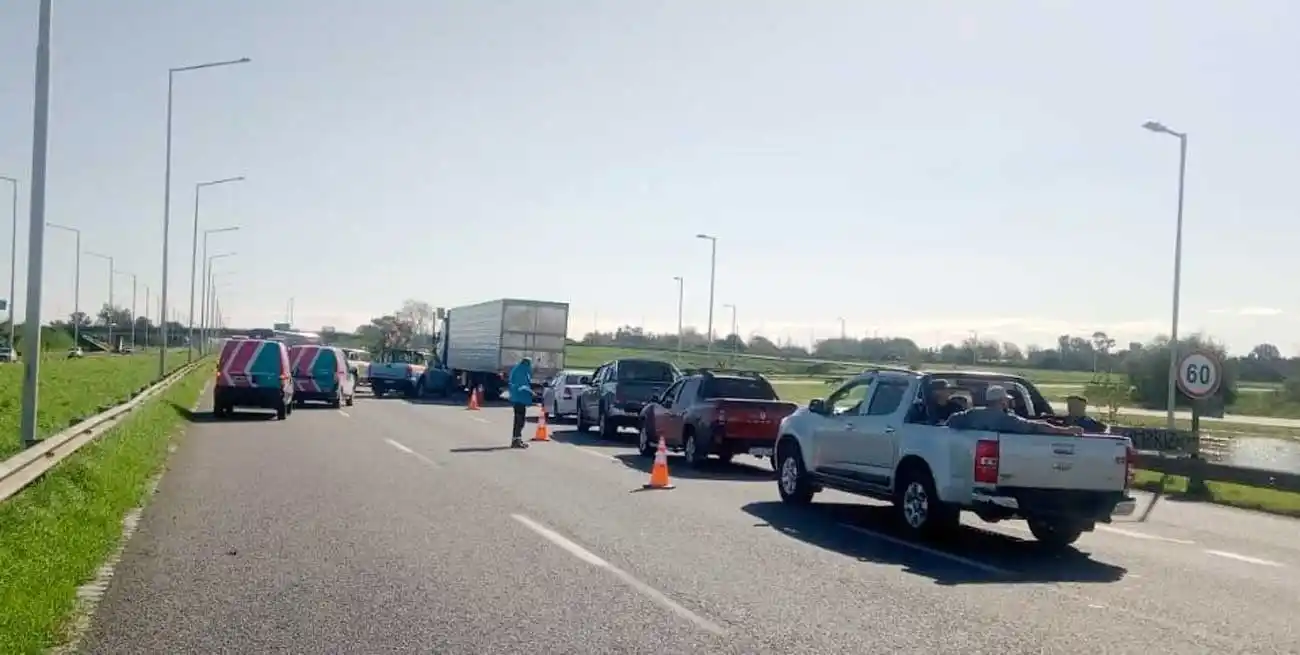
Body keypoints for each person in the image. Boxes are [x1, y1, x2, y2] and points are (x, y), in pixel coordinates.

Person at [948, 385, 1083, 435]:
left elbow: (951, 421)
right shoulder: (1006, 420)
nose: (1008, 402)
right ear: (1002, 401)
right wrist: (1065, 430)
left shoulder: (972, 413)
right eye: (1006, 400)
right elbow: (1035, 427)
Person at [508, 357, 534, 449]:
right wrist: (531, 392)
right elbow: (522, 386)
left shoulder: (517, 369)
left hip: (517, 398)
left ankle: (517, 439)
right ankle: (516, 440)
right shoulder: (522, 371)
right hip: (519, 399)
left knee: (519, 420)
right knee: (520, 421)